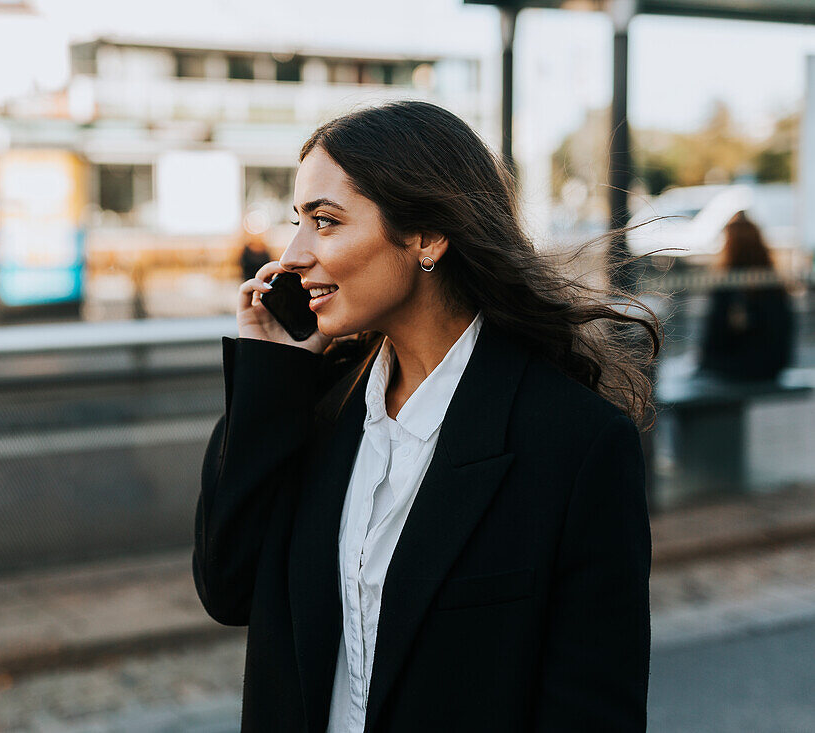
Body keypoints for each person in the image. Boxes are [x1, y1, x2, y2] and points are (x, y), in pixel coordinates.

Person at [193, 101, 661, 731]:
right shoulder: (315, 408)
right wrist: (269, 378)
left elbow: (592, 709)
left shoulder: (573, 441)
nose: (293, 255)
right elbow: (228, 588)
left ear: (427, 236)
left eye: (326, 223)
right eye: (297, 221)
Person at [696, 210, 794, 381]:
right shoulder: (772, 281)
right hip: (773, 366)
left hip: (735, 366)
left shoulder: (729, 284)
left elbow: (713, 340)